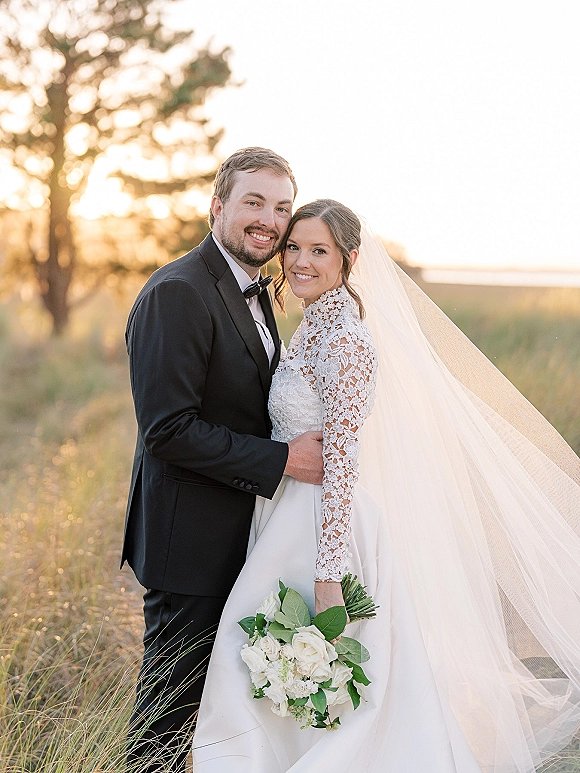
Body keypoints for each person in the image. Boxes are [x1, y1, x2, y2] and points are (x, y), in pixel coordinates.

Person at [192, 199, 580, 772]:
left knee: (314, 682)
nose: (298, 260)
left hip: (323, 531)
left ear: (349, 260)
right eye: (293, 246)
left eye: (317, 250)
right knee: (267, 673)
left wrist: (328, 577)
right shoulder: (313, 321)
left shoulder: (348, 342)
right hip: (284, 515)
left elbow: (342, 465)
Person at [122, 148, 324, 771]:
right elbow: (168, 430)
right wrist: (282, 460)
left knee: (215, 715)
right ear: (217, 206)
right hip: (191, 543)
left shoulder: (251, 289)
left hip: (240, 533)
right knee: (166, 722)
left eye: (282, 208)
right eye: (254, 203)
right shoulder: (180, 292)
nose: (269, 220)